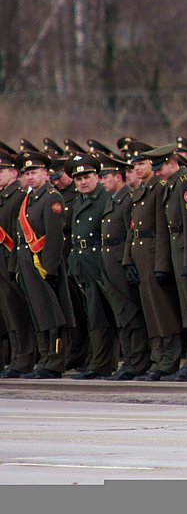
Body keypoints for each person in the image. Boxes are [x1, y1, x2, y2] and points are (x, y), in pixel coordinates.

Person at [123, 143, 183, 381]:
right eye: (135, 165)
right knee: (151, 311)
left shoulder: (159, 189)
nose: (137, 168)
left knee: (163, 310)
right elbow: (133, 229)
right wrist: (128, 260)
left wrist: (161, 264)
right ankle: (158, 359)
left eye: (142, 164)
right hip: (140, 254)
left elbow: (161, 229)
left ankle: (168, 360)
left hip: (153, 253)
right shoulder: (141, 190)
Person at [12, 151, 74, 378]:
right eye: (27, 173)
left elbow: (55, 236)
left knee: (52, 314)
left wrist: (48, 268)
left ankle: (55, 362)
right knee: (39, 313)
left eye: (34, 172)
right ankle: (45, 357)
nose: (30, 177)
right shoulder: (29, 199)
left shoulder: (52, 197)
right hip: (28, 265)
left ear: (45, 174)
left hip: (44, 266)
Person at [154, 145, 187, 382]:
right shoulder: (173, 185)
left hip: (186, 250)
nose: (158, 172)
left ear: (173, 163)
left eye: (161, 167)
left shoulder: (186, 184)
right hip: (177, 250)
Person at [95, 153, 150, 380]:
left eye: (105, 176)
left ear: (117, 177)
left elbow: (131, 233)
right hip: (110, 260)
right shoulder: (113, 199)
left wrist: (128, 262)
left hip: (120, 259)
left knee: (130, 313)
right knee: (121, 313)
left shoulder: (128, 198)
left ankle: (136, 362)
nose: (102, 180)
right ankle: (129, 360)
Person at [64, 154, 118, 379]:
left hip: (100, 262)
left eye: (87, 176)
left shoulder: (105, 198)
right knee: (92, 315)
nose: (82, 182)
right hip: (82, 262)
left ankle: (103, 364)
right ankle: (97, 361)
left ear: (97, 176)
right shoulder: (80, 202)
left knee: (105, 314)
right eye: (78, 179)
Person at [0, 149, 37, 378]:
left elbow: (18, 233)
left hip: (10, 258)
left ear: (14, 173)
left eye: (2, 171)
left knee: (18, 310)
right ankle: (15, 357)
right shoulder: (5, 196)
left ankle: (24, 359)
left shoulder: (18, 197)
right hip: (2, 261)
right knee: (7, 312)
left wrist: (14, 264)